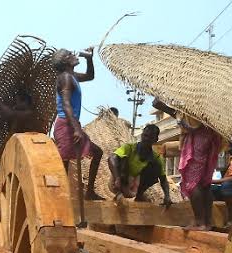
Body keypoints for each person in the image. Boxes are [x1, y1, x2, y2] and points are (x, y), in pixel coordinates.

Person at [154, 99, 223, 230]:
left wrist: (167, 109)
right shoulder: (212, 103)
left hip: (199, 140)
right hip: (212, 138)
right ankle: (207, 222)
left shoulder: (196, 102)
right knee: (204, 184)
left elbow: (190, 123)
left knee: (192, 184)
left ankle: (200, 222)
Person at [51, 47, 104, 200]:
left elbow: (90, 76)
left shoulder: (71, 75)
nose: (73, 55)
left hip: (71, 123)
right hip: (66, 124)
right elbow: (66, 104)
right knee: (64, 162)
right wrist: (76, 129)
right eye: (69, 54)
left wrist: (89, 59)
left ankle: (89, 192)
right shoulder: (65, 78)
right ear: (65, 62)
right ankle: (58, 196)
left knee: (96, 153)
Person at [108, 124, 172, 206]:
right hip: (117, 183)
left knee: (155, 166)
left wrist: (167, 196)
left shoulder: (156, 158)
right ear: (142, 135)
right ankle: (119, 194)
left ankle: (139, 196)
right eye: (145, 135)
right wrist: (117, 178)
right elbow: (111, 158)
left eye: (150, 137)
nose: (147, 139)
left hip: (133, 187)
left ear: (155, 139)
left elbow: (163, 179)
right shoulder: (129, 147)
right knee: (122, 159)